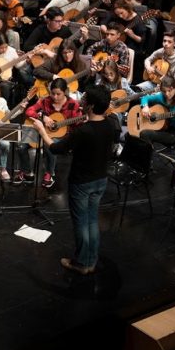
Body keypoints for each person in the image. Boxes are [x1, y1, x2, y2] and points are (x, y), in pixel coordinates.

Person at [36, 85, 115, 275]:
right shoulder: (110, 124)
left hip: (82, 183)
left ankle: (81, 263)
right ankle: (91, 260)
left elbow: (56, 149)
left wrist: (41, 131)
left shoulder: (84, 131)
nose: (82, 100)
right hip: (100, 180)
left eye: (85, 99)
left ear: (91, 105)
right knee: (92, 220)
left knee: (81, 222)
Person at [24, 77, 83, 188]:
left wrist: (81, 121)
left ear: (65, 92)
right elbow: (29, 111)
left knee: (50, 144)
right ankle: (27, 171)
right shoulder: (45, 100)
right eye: (53, 93)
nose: (55, 97)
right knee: (21, 144)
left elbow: (77, 126)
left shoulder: (73, 104)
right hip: (44, 132)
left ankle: (49, 173)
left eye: (58, 94)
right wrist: (43, 117)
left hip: (64, 136)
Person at [139, 75, 175, 149]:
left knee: (144, 133)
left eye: (170, 90)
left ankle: (148, 155)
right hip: (157, 128)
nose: (167, 94)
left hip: (171, 133)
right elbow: (144, 98)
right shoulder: (160, 97)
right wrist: (145, 106)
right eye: (164, 91)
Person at [138, 31, 175, 97]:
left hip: (171, 90)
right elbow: (148, 60)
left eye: (169, 42)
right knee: (136, 88)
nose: (166, 44)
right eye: (164, 41)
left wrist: (160, 74)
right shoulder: (161, 51)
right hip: (157, 84)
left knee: (146, 97)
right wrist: (148, 67)